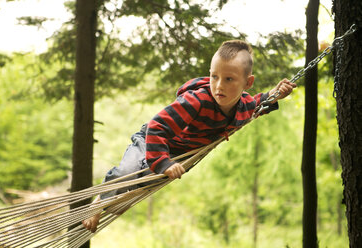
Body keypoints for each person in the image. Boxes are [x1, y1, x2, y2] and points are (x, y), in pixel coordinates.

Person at [82, 40, 297, 233]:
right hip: (152, 141)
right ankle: (99, 202)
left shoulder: (243, 105)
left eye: (229, 79)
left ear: (247, 83)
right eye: (214, 76)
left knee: (143, 184)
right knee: (127, 173)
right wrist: (163, 162)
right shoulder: (197, 100)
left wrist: (275, 93)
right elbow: (158, 127)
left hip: (181, 155)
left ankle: (119, 200)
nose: (219, 85)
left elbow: (258, 103)